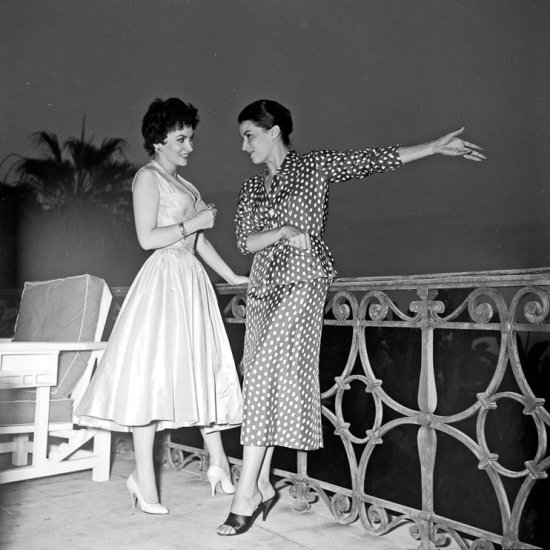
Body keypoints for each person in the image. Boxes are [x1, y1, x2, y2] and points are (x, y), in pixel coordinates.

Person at [217, 99, 486, 535]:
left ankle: (243, 494)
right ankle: (263, 482)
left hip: (304, 281)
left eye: (249, 134)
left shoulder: (316, 166)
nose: (244, 145)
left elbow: (372, 160)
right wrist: (285, 232)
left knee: (265, 371)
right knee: (260, 374)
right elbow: (247, 242)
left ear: (273, 131)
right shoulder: (251, 187)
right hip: (263, 287)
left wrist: (434, 146)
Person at [76, 97, 248, 515]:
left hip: (192, 283)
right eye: (180, 139)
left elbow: (198, 242)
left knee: (202, 370)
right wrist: (195, 222)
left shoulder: (189, 187)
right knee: (153, 377)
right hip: (163, 284)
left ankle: (219, 465)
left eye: (190, 138)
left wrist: (231, 277)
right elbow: (148, 238)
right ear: (158, 141)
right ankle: (145, 480)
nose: (189, 146)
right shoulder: (146, 179)